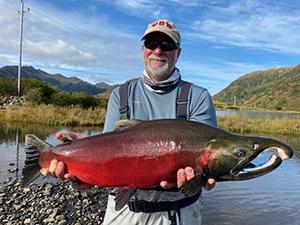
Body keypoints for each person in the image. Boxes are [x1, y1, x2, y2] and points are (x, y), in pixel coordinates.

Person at [52, 19, 217, 225]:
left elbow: (207, 168)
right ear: (143, 49)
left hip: (180, 211)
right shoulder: (120, 94)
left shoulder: (198, 96)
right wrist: (83, 159)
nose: (158, 50)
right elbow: (110, 155)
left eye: (167, 45)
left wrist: (202, 179)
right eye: (151, 44)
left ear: (178, 52)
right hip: (125, 211)